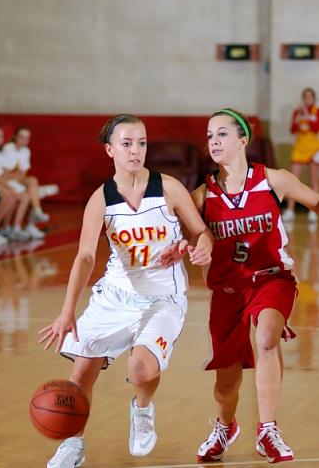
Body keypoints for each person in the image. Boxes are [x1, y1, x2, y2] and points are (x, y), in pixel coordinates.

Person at [38, 114, 213, 468]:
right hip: (115, 295)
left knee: (142, 368)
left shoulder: (168, 188)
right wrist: (67, 310)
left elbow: (200, 231)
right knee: (81, 371)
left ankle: (143, 410)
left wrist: (202, 246)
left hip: (164, 297)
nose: (136, 151)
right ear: (110, 150)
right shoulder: (100, 200)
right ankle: (73, 444)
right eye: (127, 144)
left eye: (142, 143)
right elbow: (85, 256)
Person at [162, 108, 319, 464]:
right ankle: (225, 425)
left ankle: (267, 430)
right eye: (209, 136)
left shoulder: (273, 180)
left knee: (266, 338)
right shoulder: (203, 195)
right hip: (228, 289)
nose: (213, 141)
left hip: (272, 278)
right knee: (227, 382)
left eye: (222, 134)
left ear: (242, 140)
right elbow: (185, 235)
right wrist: (189, 248)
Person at [282, 87, 319, 223]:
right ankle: (290, 210)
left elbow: (316, 128)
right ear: (303, 98)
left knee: (314, 180)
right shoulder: (297, 112)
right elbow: (292, 130)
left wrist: (307, 115)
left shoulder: (316, 111)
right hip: (299, 147)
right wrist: (297, 120)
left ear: (314, 99)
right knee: (293, 179)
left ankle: (313, 211)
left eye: (310, 97)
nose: (308, 99)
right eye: (306, 97)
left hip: (313, 148)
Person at [2, 127, 50, 224]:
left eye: (27, 138)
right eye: (21, 137)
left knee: (32, 180)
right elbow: (5, 174)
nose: (24, 141)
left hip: (16, 179)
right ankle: (7, 226)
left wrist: (17, 175)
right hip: (4, 181)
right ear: (15, 137)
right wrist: (17, 175)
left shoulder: (26, 151)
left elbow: (23, 174)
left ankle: (37, 211)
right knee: (24, 196)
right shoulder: (8, 148)